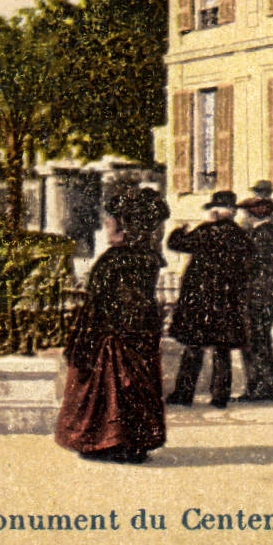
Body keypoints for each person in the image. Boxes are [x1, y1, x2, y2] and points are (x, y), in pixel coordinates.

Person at [55, 187, 170, 464]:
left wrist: (84, 337)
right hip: (139, 332)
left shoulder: (114, 259)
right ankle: (133, 443)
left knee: (110, 390)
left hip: (111, 334)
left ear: (124, 225)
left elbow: (100, 301)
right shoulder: (148, 256)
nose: (106, 224)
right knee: (133, 389)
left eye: (111, 220)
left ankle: (109, 443)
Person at [166, 190, 252, 409]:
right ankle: (220, 396)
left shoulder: (206, 231)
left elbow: (177, 244)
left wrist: (181, 229)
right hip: (226, 300)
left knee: (194, 348)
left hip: (201, 299)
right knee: (221, 351)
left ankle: (184, 394)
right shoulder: (239, 235)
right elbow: (250, 264)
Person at [235, 197, 273, 401]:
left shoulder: (262, 235)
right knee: (259, 341)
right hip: (265, 295)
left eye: (244, 214)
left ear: (251, 215)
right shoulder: (268, 232)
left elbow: (252, 265)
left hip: (259, 295)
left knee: (256, 341)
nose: (242, 218)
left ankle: (261, 388)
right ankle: (262, 386)